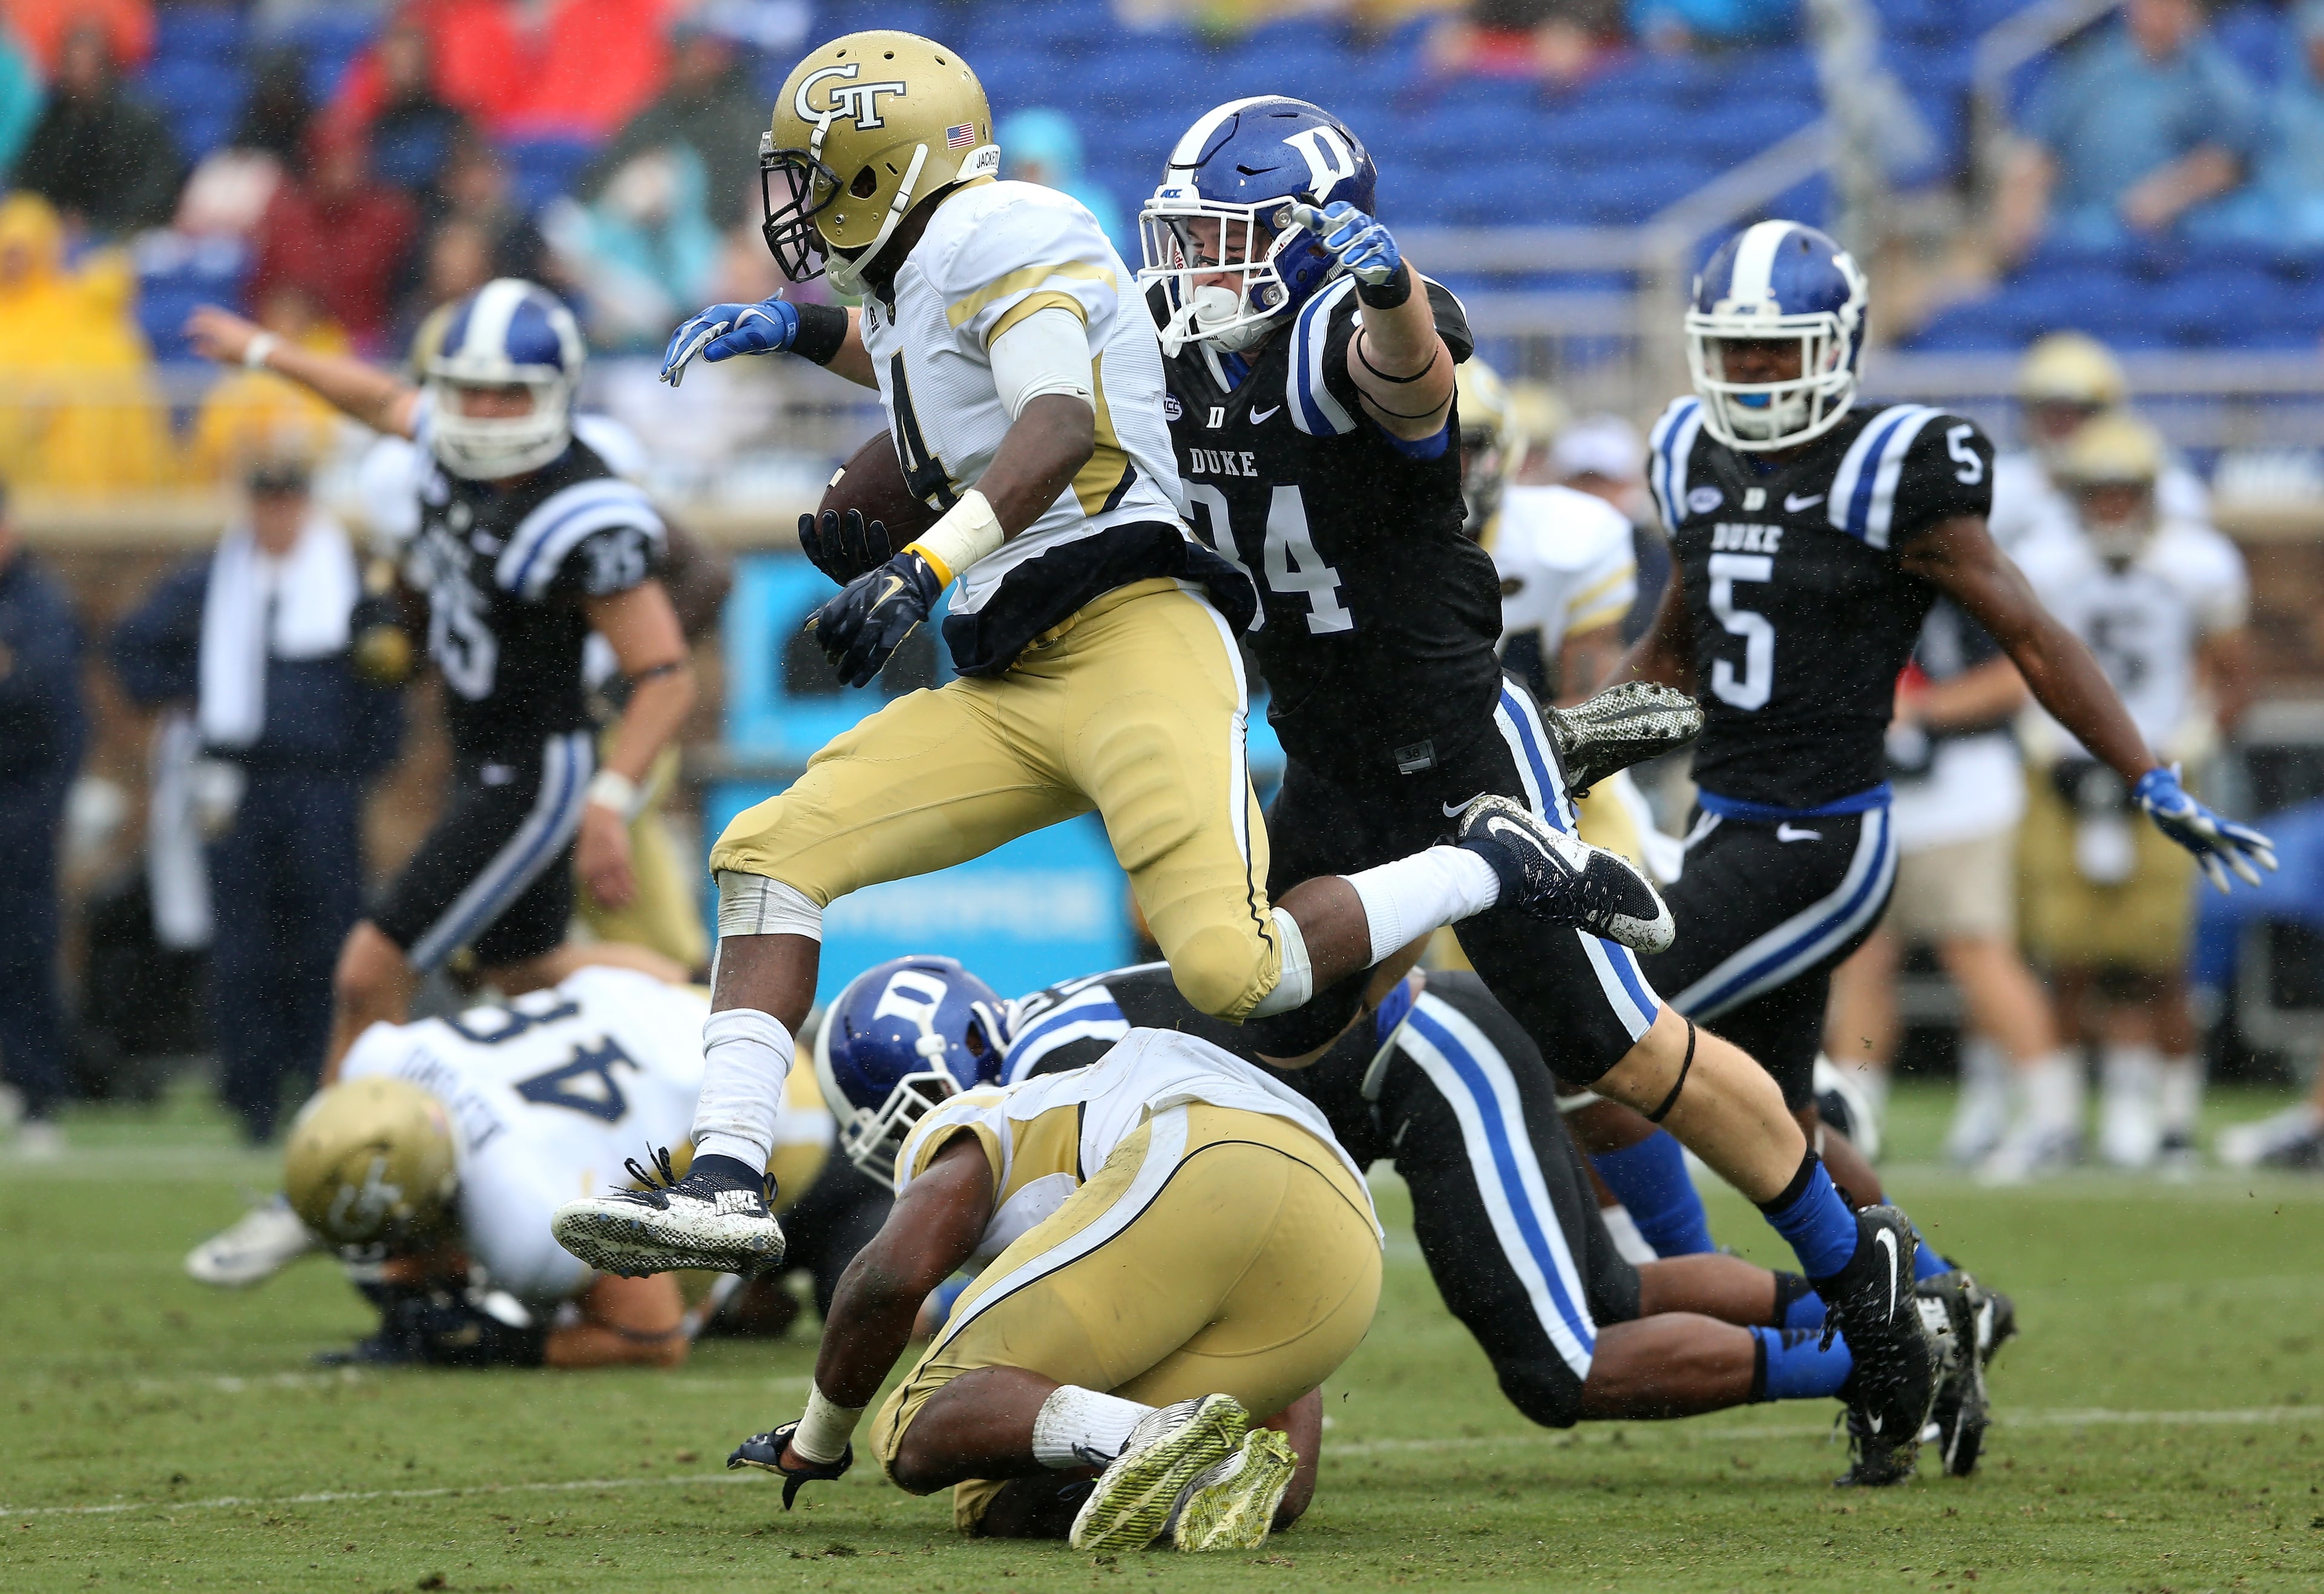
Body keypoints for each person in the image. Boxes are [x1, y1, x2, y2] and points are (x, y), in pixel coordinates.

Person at [553, 33, 1667, 1285]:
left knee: (1234, 966)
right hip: (1017, 670)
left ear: (889, 169)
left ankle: (1483, 858)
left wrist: (917, 568)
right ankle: (728, 1177)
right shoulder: (923, 270)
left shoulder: (1001, 232)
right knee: (768, 850)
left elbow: (1055, 419)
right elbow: (945, 372)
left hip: (1133, 638)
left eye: (824, 174)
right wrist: (801, 330)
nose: (802, 203)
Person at [1133, 98, 1940, 1484]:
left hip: (1464, 771)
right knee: (1265, 1027)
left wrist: (1381, 285)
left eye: (1222, 240)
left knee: (1614, 1047)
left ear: (1306, 244)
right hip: (1326, 764)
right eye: (1184, 237)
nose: (1194, 267)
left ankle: (1856, 1270)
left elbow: (1414, 376)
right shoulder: (1176, 360)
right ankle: (1241, 1362)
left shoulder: (1340, 325)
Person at [1619, 224, 2271, 1274]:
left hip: (1824, 833)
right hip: (1723, 815)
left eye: (1778, 347)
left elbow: (2033, 635)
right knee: (1781, 1117)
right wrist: (1553, 759)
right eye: (1735, 347)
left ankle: (1671, 1278)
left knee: (1604, 1021)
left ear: (1839, 345)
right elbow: (1669, 657)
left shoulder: (1897, 465)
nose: (1752, 369)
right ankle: (1935, 1297)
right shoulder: (1689, 450)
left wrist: (2145, 769)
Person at [982, 957, 2003, 1480]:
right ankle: (1904, 1318)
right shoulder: (1041, 1027)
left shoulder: (1041, 1075)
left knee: (1563, 1369)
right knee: (1612, 1293)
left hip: (1424, 1061)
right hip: (1419, 1053)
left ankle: (1881, 1349)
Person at [179, 279, 697, 1093]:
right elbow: (381, 397)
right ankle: (725, 1017)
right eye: (468, 393)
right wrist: (261, 352)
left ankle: (330, 1186)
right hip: (485, 753)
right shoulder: (446, 440)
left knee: (368, 970)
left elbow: (665, 675)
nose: (484, 414)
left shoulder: (582, 509)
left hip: (536, 769)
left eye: (508, 395)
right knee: (523, 975)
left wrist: (610, 798)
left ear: (555, 396)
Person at [744, 1006, 1384, 1552]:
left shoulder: (984, 1118)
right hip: (1348, 1245)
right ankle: (1202, 1476)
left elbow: (888, 1276)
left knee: (916, 1424)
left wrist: (816, 1443)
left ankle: (1144, 1435)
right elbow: (1289, 1465)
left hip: (1203, 1150)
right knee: (994, 1496)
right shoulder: (1105, 1110)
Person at [109, 452, 404, 1143]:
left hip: (320, 784)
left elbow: (386, 681)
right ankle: (252, 1092)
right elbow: (133, 650)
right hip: (236, 782)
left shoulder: (349, 584)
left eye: (288, 501)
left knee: (327, 936)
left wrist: (355, 763)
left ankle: (322, 1074)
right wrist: (195, 692)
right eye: (265, 502)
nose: (276, 517)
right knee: (244, 941)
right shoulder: (212, 580)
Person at [285, 962, 782, 1369]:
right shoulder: (381, 1058)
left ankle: (736, 1288)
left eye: (406, 1238)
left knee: (646, 1286)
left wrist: (506, 1347)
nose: (395, 1263)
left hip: (767, 1100)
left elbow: (654, 1336)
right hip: (685, 999)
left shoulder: (524, 1212)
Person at [2009, 413, 2253, 1174]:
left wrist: (2187, 746)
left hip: (2166, 772)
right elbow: (2018, 666)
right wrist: (2047, 748)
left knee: (2163, 955)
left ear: (2151, 495)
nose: (2112, 508)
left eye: (2125, 493)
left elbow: (2229, 675)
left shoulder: (2199, 561)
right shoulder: (2043, 560)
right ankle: (2056, 1119)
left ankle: (2174, 1119)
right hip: (2062, 773)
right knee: (2065, 952)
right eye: (2099, 493)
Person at [1822, 594, 2073, 1171]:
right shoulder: (1838, 567)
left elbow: (2019, 674)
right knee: (1862, 958)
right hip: (1872, 789)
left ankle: (2050, 1114)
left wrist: (1922, 708)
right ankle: (1854, 1115)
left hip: (1961, 792)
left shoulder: (1958, 568)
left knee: (1975, 950)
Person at [1995, 0, 2256, 262]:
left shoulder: (2212, 79)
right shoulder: (2093, 67)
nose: (2158, 11)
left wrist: (2166, 196)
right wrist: (2021, 207)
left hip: (2167, 243)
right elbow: (2040, 149)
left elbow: (2228, 160)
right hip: (2079, 231)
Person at [0, 481, 84, 1158]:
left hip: (21, 808)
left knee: (26, 953)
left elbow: (42, 696)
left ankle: (36, 1093)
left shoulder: (41, 602)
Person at [0, 190, 171, 493]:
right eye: (8, 252)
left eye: (21, 251)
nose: (14, 262)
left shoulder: (68, 303)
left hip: (48, 452)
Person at [1989, 333, 2208, 554]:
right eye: (2051, 417)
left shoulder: (2163, 477)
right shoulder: (2002, 483)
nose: (2063, 430)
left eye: (2075, 415)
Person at [248, 124, 419, 354]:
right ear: (314, 164)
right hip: (299, 344)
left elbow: (405, 292)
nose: (342, 173)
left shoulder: (390, 218)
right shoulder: (286, 219)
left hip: (370, 345)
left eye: (350, 161)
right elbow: (265, 292)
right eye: (333, 162)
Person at [583, 11, 767, 226]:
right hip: (647, 237)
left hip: (723, 237)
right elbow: (599, 182)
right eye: (682, 54)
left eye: (700, 52)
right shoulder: (653, 116)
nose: (693, 63)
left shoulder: (743, 118)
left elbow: (750, 183)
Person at [11, 22, 180, 239]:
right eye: (71, 64)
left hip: (124, 233)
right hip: (59, 235)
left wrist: (99, 225)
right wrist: (56, 218)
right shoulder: (54, 119)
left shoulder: (139, 119)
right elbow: (31, 182)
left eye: (85, 64)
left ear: (105, 66)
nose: (77, 74)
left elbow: (156, 191)